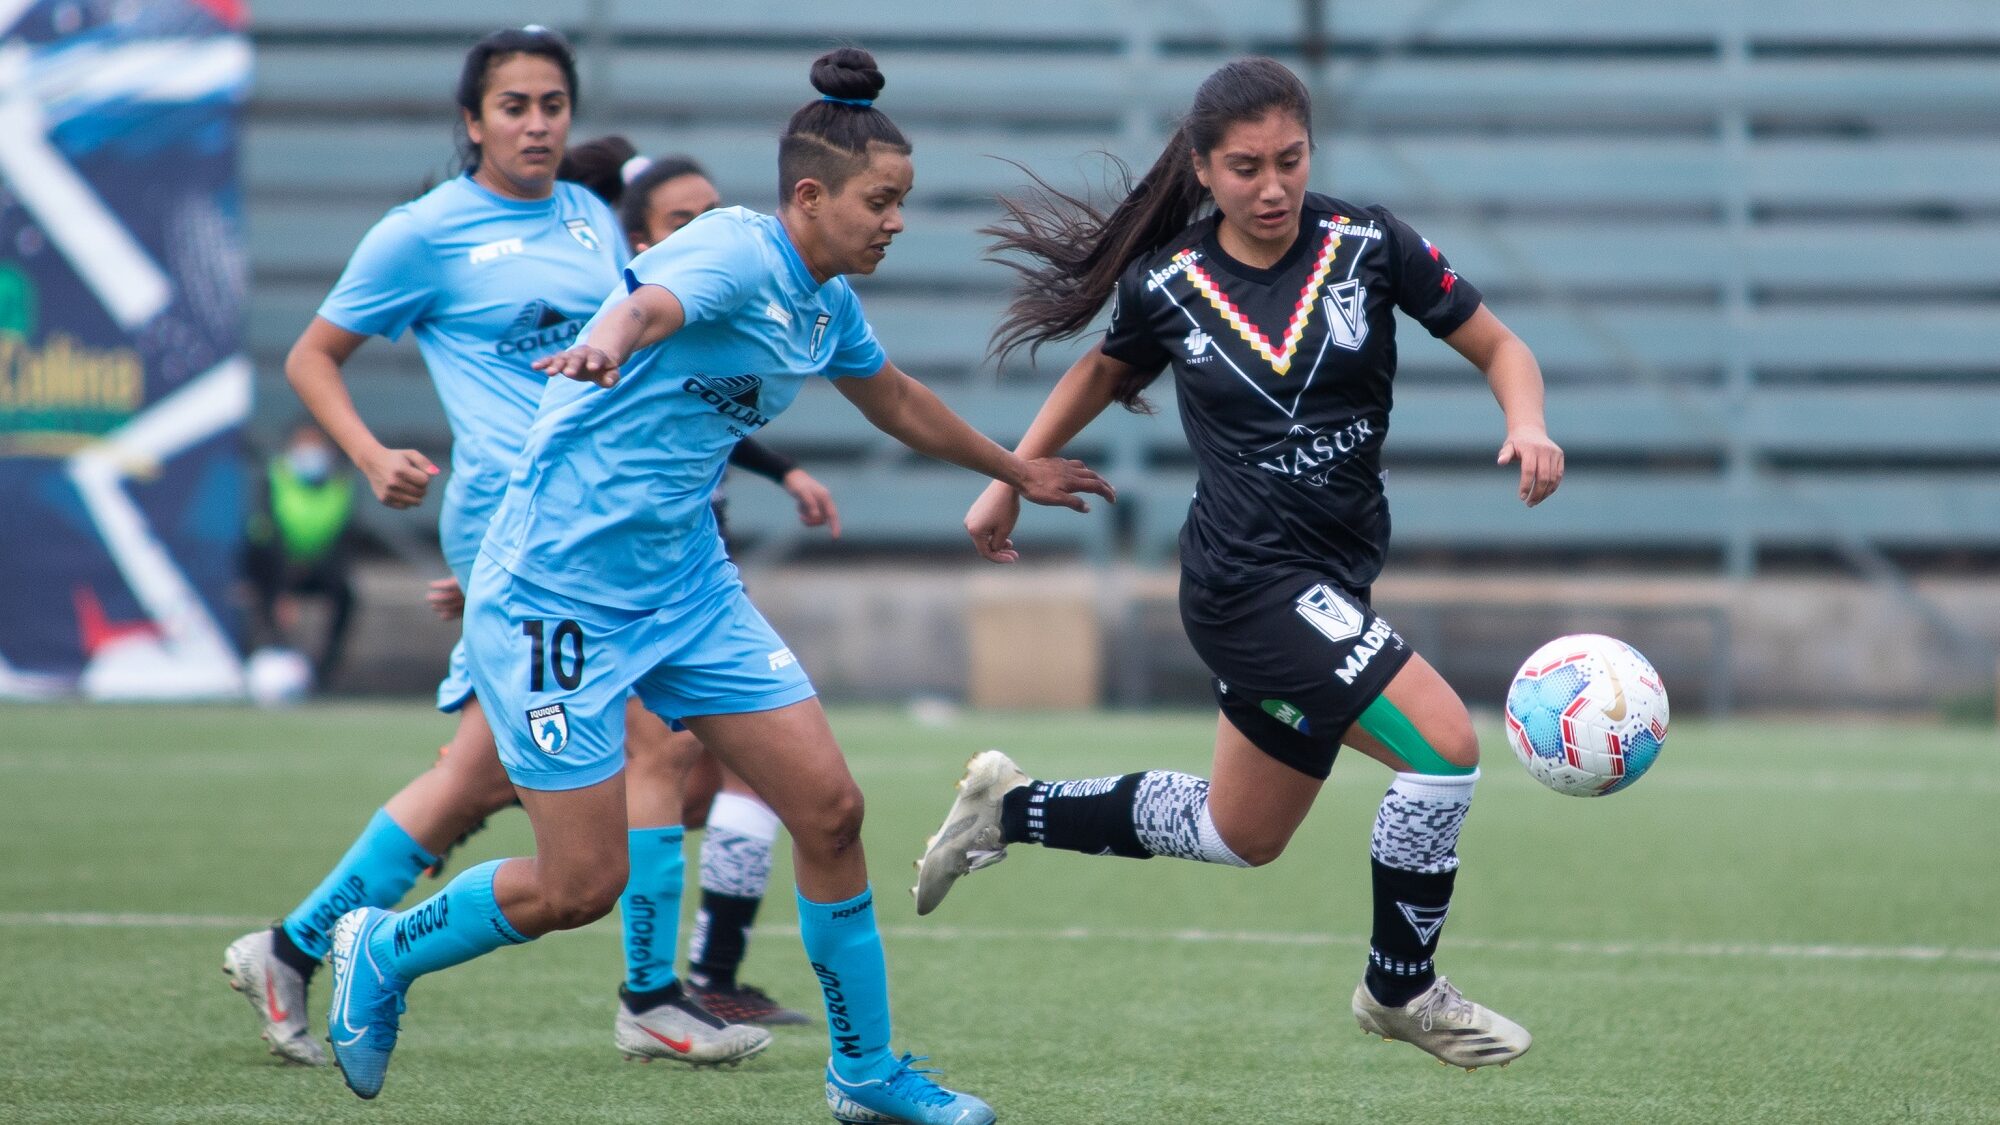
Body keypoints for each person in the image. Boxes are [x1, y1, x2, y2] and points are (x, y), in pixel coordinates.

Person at [320, 48, 1111, 1123]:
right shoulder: (734, 249)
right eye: (881, 202)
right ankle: (381, 948)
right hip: (556, 591)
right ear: (807, 197)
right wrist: (601, 341)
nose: (894, 223)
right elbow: (647, 307)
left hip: (685, 586)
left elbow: (892, 397)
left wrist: (1013, 466)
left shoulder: (824, 299)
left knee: (830, 811)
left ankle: (865, 1075)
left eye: (902, 203)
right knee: (575, 887)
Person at [913, 56, 1563, 1073]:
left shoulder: (1367, 243)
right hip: (1244, 584)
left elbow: (1499, 346)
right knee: (1443, 747)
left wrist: (1526, 424)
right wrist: (1006, 474)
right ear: (1204, 172)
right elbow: (1101, 367)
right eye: (1246, 168)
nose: (1271, 188)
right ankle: (1400, 989)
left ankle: (1010, 809)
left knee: (1239, 832)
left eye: (1289, 162)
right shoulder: (1169, 281)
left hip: (1332, 579)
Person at [223, 26, 768, 1071]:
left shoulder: (584, 217)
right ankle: (650, 998)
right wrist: (371, 453)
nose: (535, 124)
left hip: (588, 522)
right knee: (659, 744)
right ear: (471, 122)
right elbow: (312, 355)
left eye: (552, 105)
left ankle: (290, 948)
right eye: (513, 106)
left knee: (477, 776)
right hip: (517, 527)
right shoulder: (423, 234)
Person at [242, 420, 358, 689]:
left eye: (317, 445)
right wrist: (284, 591)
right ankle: (270, 656)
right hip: (275, 569)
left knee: (346, 594)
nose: (311, 452)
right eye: (304, 444)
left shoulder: (340, 484)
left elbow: (342, 542)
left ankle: (323, 674)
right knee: (262, 586)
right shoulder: (275, 477)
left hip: (318, 565)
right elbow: (266, 536)